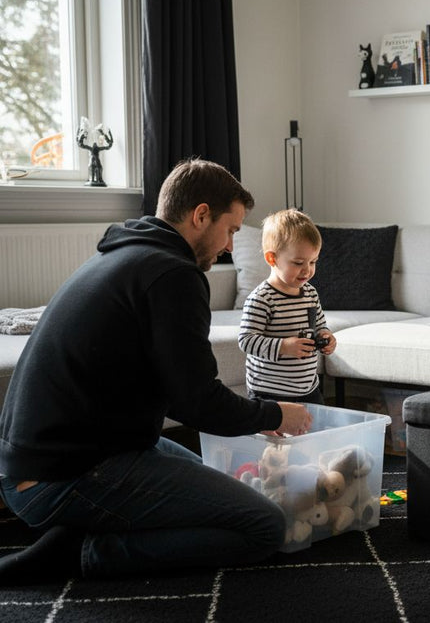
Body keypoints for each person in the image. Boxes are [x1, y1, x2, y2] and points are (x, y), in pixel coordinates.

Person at [0, 159, 313, 584]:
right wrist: (276, 414)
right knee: (263, 526)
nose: (228, 245)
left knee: (215, 488)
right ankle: (84, 552)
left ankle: (88, 525)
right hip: (60, 477)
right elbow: (197, 402)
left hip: (44, 462)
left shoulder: (126, 254)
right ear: (200, 215)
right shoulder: (173, 275)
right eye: (232, 229)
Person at [238, 209, 336, 404]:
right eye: (298, 262)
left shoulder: (310, 293)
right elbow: (246, 340)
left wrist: (326, 336)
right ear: (272, 259)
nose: (307, 270)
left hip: (308, 388)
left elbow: (320, 325)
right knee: (277, 435)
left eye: (313, 262)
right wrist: (282, 346)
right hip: (270, 392)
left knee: (316, 432)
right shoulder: (262, 298)